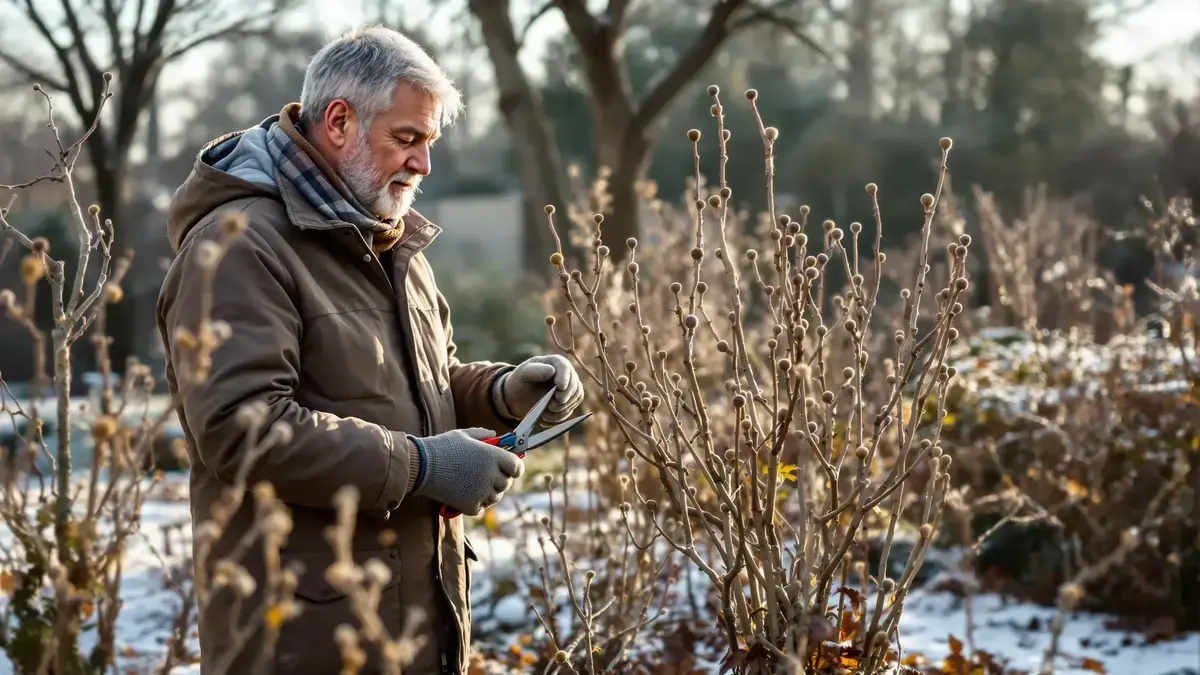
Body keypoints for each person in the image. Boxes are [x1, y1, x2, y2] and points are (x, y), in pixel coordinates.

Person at [156, 25, 584, 675]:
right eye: (407, 139)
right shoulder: (239, 245)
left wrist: (501, 392)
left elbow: (415, 384)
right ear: (338, 122)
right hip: (301, 641)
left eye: (430, 142)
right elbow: (240, 426)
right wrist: (418, 465)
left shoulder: (389, 237)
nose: (424, 165)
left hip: (407, 624)